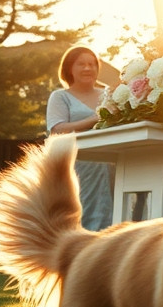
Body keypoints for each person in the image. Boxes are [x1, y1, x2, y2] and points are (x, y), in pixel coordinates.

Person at [45, 45, 114, 231]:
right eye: (81, 64)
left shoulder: (109, 95)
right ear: (69, 68)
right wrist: (94, 119)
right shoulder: (60, 97)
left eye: (92, 64)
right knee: (79, 213)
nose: (87, 68)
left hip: (112, 163)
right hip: (77, 167)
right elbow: (58, 130)